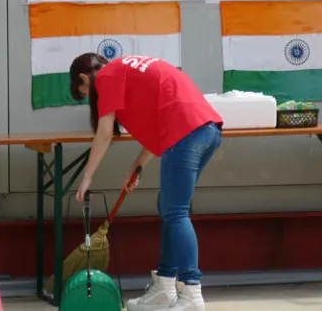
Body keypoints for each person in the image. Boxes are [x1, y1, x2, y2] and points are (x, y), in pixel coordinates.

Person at [70, 53, 223, 311]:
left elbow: (105, 132)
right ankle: (164, 287)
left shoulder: (106, 77)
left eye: (84, 91)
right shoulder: (125, 69)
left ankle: (192, 293)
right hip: (206, 129)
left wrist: (86, 177)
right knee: (169, 206)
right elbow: (160, 122)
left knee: (175, 212)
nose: (90, 98)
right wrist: (137, 165)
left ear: (84, 78)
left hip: (184, 131)